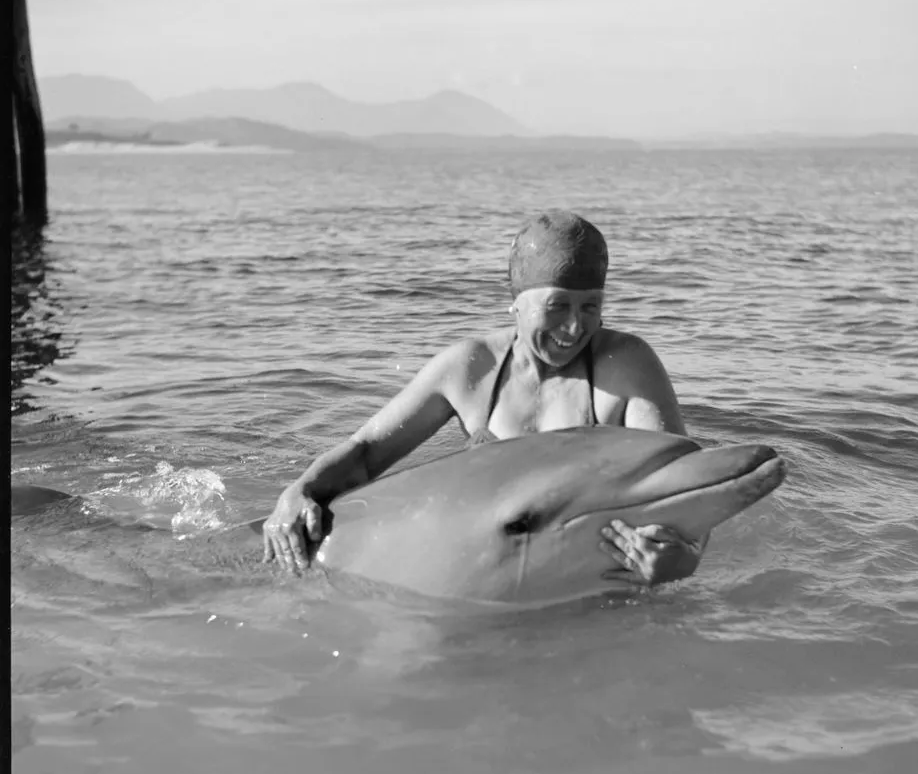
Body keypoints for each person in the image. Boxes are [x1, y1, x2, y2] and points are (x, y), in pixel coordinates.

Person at [263, 210, 707, 586]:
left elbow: (688, 482)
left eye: (591, 306)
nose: (575, 328)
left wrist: (683, 556)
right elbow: (365, 455)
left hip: (593, 577)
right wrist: (300, 491)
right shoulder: (470, 368)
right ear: (514, 301)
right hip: (496, 576)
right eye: (557, 307)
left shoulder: (627, 364)